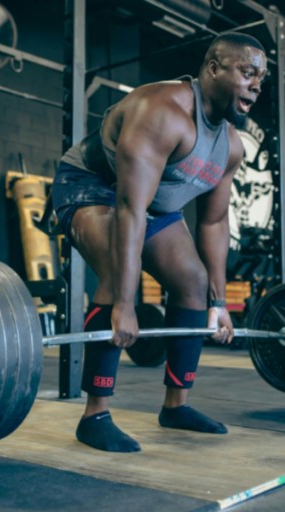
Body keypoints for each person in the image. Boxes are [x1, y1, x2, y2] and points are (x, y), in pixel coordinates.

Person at [49, 32, 268, 452]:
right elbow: (129, 209)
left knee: (191, 280)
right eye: (247, 72)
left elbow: (215, 221)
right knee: (118, 273)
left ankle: (176, 406)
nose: (257, 84)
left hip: (151, 204)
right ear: (214, 69)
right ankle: (95, 413)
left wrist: (218, 304)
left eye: (262, 76)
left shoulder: (231, 147)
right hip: (92, 187)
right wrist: (125, 306)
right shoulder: (161, 112)